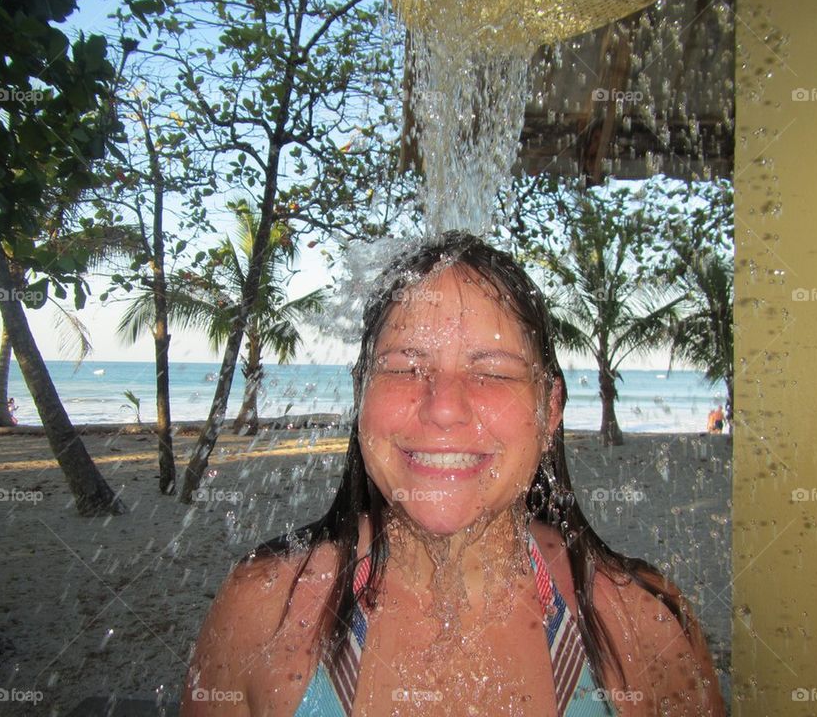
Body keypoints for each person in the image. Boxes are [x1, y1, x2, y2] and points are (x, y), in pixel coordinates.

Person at [181, 233, 725, 716]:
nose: (443, 407)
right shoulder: (262, 612)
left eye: (491, 372)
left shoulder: (645, 628)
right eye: (403, 367)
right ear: (360, 393)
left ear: (550, 408)